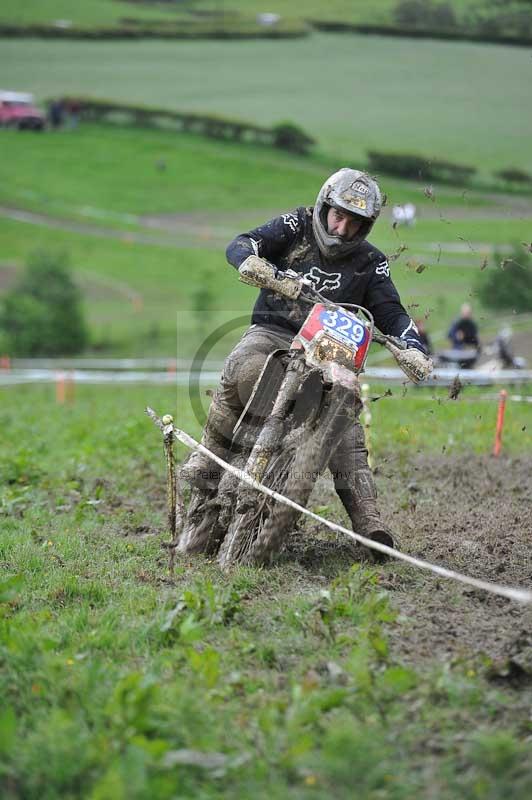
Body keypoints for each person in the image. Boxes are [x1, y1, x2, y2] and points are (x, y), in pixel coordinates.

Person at [182, 168, 432, 553]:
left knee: (347, 416)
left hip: (330, 352)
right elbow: (243, 242)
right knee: (242, 367)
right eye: (338, 215)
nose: (342, 228)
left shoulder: (371, 262)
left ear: (366, 226)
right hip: (273, 334)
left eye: (354, 222)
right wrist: (251, 263)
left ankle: (368, 520)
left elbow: (393, 314)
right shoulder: (295, 225)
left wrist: (413, 347)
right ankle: (209, 453)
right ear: (324, 205)